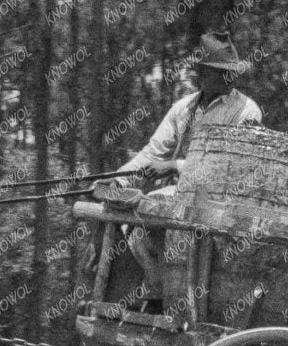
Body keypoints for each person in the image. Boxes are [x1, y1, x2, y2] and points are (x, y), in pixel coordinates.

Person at [107, 34, 260, 309]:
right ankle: (157, 287)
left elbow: (231, 170)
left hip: (221, 199)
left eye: (232, 73)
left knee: (152, 205)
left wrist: (175, 166)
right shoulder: (183, 108)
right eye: (221, 73)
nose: (230, 79)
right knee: (131, 210)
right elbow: (152, 153)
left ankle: (172, 294)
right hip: (182, 194)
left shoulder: (247, 112)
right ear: (202, 74)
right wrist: (119, 179)